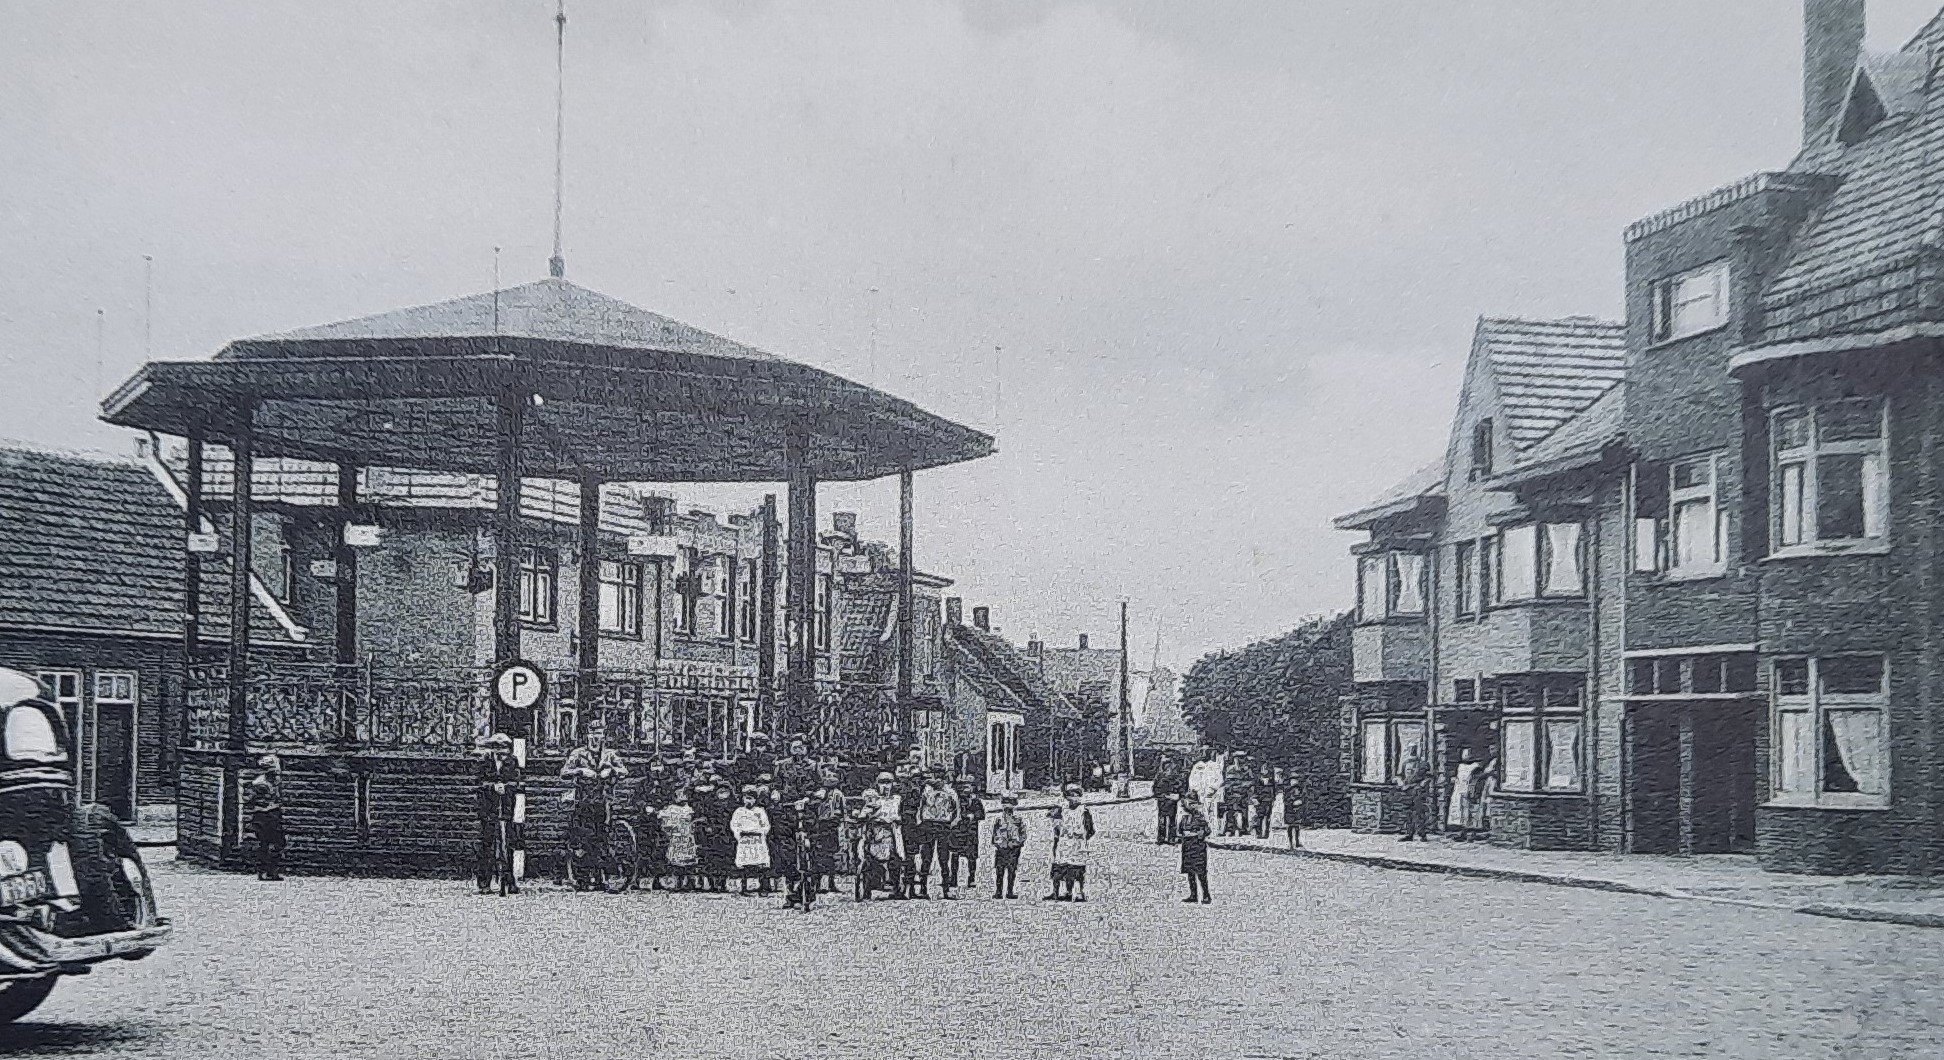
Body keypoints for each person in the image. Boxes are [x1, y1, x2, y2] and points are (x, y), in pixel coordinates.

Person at [560, 720, 629, 889]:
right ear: (587, 735)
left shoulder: (610, 754)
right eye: (592, 733)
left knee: (601, 840)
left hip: (603, 802)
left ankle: (600, 878)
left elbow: (624, 771)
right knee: (583, 840)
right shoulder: (578, 753)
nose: (595, 737)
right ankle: (583, 879)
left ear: (603, 736)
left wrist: (611, 770)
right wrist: (580, 771)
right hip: (583, 802)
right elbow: (564, 773)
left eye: (598, 734)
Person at [475, 734, 523, 895]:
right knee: (487, 845)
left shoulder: (512, 761)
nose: (502, 752)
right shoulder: (484, 762)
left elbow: (517, 782)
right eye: (498, 748)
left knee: (507, 844)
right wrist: (492, 787)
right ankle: (484, 882)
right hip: (489, 809)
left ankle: (509, 881)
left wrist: (506, 787)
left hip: (507, 808)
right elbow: (478, 783)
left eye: (504, 749)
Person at [858, 771, 905, 900]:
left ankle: (897, 889)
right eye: (882, 783)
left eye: (888, 783)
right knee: (870, 861)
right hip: (875, 832)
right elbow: (863, 815)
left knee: (895, 861)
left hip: (892, 832)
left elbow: (901, 815)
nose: (886, 786)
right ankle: (868, 889)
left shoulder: (897, 799)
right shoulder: (873, 799)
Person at [914, 770, 961, 899]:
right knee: (926, 858)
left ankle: (946, 889)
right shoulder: (927, 791)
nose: (938, 779)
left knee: (944, 858)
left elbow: (957, 810)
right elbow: (920, 807)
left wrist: (952, 822)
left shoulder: (950, 792)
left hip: (943, 825)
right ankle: (923, 888)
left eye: (940, 777)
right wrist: (920, 821)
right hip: (928, 825)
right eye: (936, 776)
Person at [1046, 783, 1095, 902]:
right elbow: (1056, 826)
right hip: (1064, 844)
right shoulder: (1063, 810)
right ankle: (1056, 892)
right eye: (1070, 795)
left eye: (1075, 795)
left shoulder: (1084, 811)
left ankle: (1074, 892)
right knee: (1059, 868)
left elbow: (1090, 830)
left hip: (1077, 845)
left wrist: (1081, 839)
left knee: (1075, 869)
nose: (1073, 798)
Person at [244, 753, 285, 881]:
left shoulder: (274, 781)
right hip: (264, 815)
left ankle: (269, 871)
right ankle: (266, 871)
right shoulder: (260, 783)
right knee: (266, 843)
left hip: (271, 814)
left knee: (275, 843)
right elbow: (250, 800)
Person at [809, 770, 847, 894]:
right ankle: (818, 883)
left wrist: (842, 823)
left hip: (833, 825)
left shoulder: (839, 794)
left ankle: (831, 882)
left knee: (832, 855)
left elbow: (843, 810)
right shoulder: (820, 793)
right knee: (819, 855)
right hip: (821, 825)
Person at [947, 777, 985, 893]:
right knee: (954, 855)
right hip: (957, 831)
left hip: (970, 832)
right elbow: (950, 812)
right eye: (963, 786)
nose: (965, 789)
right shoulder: (955, 799)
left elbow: (982, 814)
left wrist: (974, 815)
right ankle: (953, 878)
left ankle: (972, 878)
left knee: (971, 857)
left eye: (968, 786)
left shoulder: (975, 801)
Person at [731, 787, 772, 894]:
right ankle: (744, 887)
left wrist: (759, 832)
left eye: (751, 798)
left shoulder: (760, 811)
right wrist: (740, 833)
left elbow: (766, 826)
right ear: (743, 799)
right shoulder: (739, 812)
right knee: (745, 864)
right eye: (747, 798)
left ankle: (763, 887)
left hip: (757, 841)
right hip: (745, 841)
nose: (749, 801)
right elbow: (734, 825)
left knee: (761, 864)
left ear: (755, 799)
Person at [659, 787, 700, 891]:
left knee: (689, 861)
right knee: (677, 862)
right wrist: (670, 832)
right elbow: (665, 823)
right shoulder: (670, 809)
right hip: (676, 837)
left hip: (687, 836)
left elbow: (693, 820)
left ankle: (690, 881)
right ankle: (678, 882)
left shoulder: (688, 808)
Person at [989, 793, 1026, 899]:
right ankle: (998, 891)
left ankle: (1010, 891)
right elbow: (994, 834)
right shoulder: (999, 820)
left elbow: (1023, 834)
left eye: (1010, 806)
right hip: (1002, 848)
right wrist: (997, 843)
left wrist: (1019, 843)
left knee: (1011, 870)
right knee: (999, 871)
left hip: (1013, 848)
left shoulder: (1018, 820)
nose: (1008, 809)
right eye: (1005, 806)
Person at [1177, 791, 1212, 903]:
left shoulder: (1200, 817)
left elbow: (1206, 830)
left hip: (1198, 847)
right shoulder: (1184, 818)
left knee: (1201, 872)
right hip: (1187, 847)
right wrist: (1183, 835)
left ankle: (1206, 895)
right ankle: (1193, 894)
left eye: (1192, 804)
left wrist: (1195, 834)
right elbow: (1178, 832)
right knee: (1190, 872)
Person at [1447, 749, 1488, 842]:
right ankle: (1462, 832)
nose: (1465, 756)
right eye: (1464, 754)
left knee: (1468, 812)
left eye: (1467, 754)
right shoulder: (1460, 766)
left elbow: (1477, 779)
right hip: (1459, 791)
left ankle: (1470, 833)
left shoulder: (1475, 766)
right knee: (1460, 812)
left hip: (1468, 792)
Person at [1397, 747, 1430, 842]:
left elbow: (1429, 776)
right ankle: (1409, 833)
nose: (1412, 751)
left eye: (1414, 749)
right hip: (1407, 790)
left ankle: (1422, 833)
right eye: (1411, 749)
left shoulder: (1423, 764)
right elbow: (1399, 776)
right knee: (1408, 812)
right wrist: (1401, 783)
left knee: (1419, 812)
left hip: (1417, 790)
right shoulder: (1405, 763)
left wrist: (1423, 783)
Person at [1152, 753, 1186, 844]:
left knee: (1170, 820)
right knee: (1163, 820)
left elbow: (1180, 787)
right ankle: (1162, 838)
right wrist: (1164, 796)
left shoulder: (1173, 776)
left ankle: (1169, 838)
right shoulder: (1160, 776)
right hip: (1164, 801)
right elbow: (1155, 789)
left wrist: (1178, 795)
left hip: (1170, 801)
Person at [1187, 749, 1223, 836]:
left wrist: (1213, 789)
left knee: (1213, 812)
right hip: (1201, 793)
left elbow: (1219, 779)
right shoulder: (1197, 766)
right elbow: (1192, 780)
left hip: (1213, 793)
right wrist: (1196, 790)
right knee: (1203, 811)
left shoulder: (1215, 766)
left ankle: (1214, 830)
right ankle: (1205, 829)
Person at [776, 737, 820, 801]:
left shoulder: (813, 765)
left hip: (808, 797)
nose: (798, 750)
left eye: (801, 747)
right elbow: (778, 781)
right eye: (796, 748)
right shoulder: (784, 764)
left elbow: (818, 781)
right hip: (788, 796)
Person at [1279, 769, 1304, 850]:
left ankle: (1297, 841)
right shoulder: (1287, 790)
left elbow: (1302, 797)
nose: (1294, 781)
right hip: (1290, 810)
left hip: (1297, 810)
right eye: (1293, 780)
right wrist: (1292, 802)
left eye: (1296, 779)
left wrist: (1300, 802)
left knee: (1297, 827)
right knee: (1290, 827)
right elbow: (1286, 800)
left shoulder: (1299, 789)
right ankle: (1290, 843)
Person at [1250, 765, 1278, 839]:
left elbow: (1274, 791)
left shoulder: (1271, 781)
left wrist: (1273, 798)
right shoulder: (1258, 781)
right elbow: (1254, 790)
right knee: (1260, 817)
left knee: (1267, 817)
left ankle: (1266, 833)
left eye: (1266, 769)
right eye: (1263, 769)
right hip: (1260, 801)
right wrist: (1255, 798)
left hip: (1268, 801)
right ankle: (1259, 833)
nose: (1264, 771)